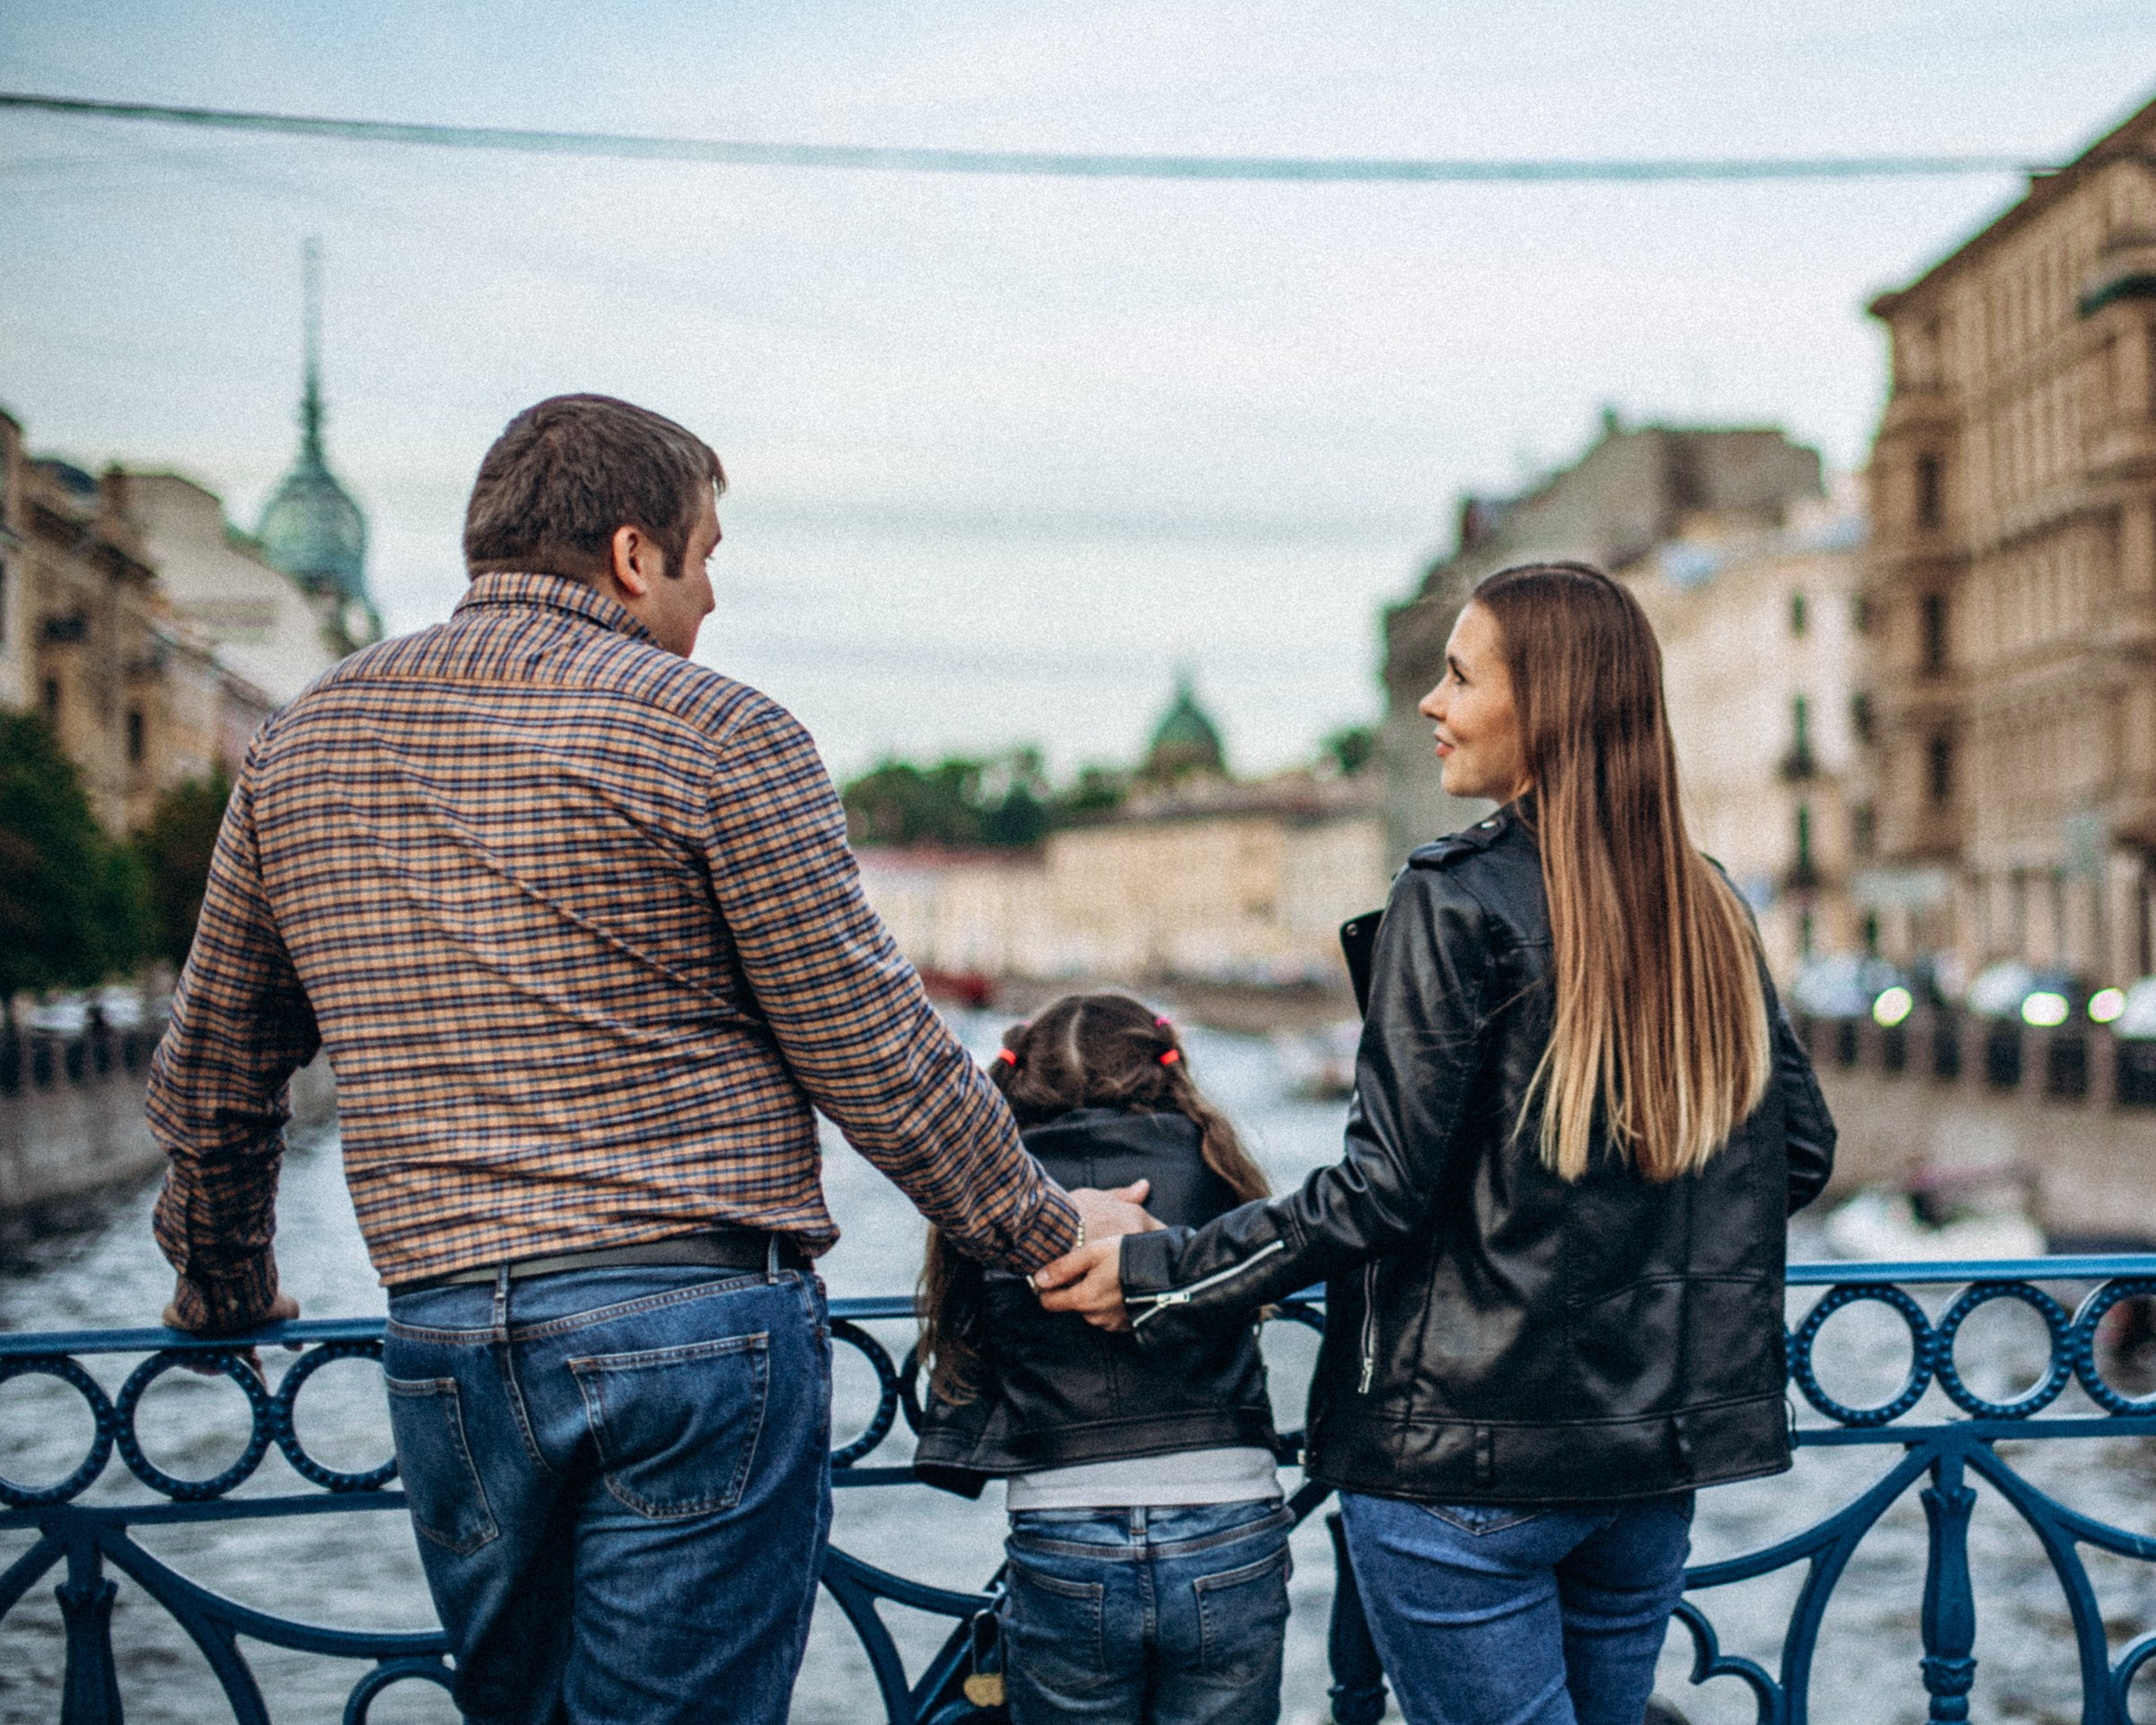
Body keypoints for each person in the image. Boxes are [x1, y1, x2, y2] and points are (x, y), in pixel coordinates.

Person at [145, 394, 1147, 1725]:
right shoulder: (716, 731)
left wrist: (222, 1284)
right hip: (690, 1332)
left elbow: (215, 1073)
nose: (714, 595)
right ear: (634, 554)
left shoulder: (300, 743)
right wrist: (1042, 1234)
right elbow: (876, 1055)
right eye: (707, 554)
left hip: (445, 1336)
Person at [1037, 562, 1836, 1725]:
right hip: (1647, 1470)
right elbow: (1797, 1153)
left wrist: (1160, 1274)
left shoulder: (1453, 898)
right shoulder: (1707, 902)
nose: (1430, 702)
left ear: (1546, 706)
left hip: (1465, 1467)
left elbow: (1381, 1195)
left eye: (1459, 677)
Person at [915, 995, 1292, 1725]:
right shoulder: (1213, 1158)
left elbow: (964, 1336)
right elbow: (1257, 1288)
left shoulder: (999, 1185)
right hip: (1226, 1516)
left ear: (1018, 1072)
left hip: (1065, 1524)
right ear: (1164, 1063)